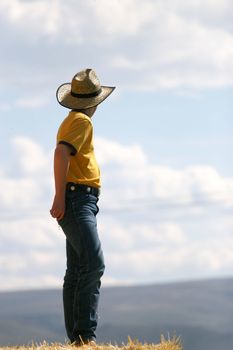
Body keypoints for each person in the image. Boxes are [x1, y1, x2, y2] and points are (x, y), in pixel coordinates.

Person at [50, 68, 115, 346]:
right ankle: (84, 337)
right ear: (95, 102)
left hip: (81, 199)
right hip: (78, 199)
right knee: (93, 264)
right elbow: (61, 152)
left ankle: (78, 339)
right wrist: (60, 196)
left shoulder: (71, 120)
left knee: (77, 269)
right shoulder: (82, 122)